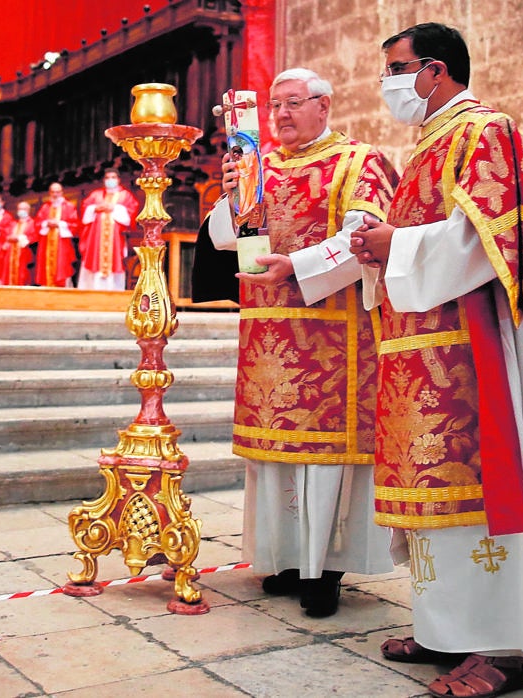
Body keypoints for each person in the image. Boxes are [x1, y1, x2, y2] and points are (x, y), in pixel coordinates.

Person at [349, 23, 523, 697]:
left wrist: (394, 241)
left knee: (481, 498)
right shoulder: (429, 141)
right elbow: (418, 243)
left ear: (434, 71)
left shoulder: (487, 131)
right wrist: (380, 246)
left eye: (396, 70)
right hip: (420, 354)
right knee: (432, 507)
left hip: (470, 351)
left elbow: (497, 236)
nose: (389, 85)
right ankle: (445, 631)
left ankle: (501, 648)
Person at [194, 68, 398, 617]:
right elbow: (222, 238)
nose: (280, 114)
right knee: (275, 457)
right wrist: (231, 193)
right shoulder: (258, 163)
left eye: (292, 103)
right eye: (274, 105)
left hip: (331, 338)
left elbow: (364, 239)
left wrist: (297, 267)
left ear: (323, 106)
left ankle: (326, 569)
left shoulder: (360, 161)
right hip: (266, 335)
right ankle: (284, 558)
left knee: (325, 460)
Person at [77, 169, 139, 290]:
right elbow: (85, 210)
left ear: (118, 179)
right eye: (108, 178)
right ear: (104, 180)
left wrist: (114, 208)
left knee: (115, 261)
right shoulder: (96, 194)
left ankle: (113, 290)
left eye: (113, 177)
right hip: (96, 237)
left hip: (115, 237)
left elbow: (131, 213)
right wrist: (95, 208)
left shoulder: (125, 195)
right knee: (95, 259)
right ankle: (92, 288)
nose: (110, 180)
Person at [34, 182, 79, 287]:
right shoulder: (45, 207)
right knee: (46, 267)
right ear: (49, 193)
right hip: (46, 244)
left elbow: (75, 225)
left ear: (62, 192)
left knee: (62, 266)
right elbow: (37, 224)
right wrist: (46, 223)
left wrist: (59, 224)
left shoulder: (69, 207)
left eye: (58, 192)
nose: (55, 194)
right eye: (53, 192)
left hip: (62, 244)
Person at [2, 201, 38, 286]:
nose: (22, 211)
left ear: (28, 210)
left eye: (24, 209)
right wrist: (9, 238)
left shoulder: (32, 223)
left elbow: (35, 237)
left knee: (23, 276)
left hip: (24, 254)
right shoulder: (13, 223)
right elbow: (6, 235)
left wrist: (20, 238)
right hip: (11, 255)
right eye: (20, 209)